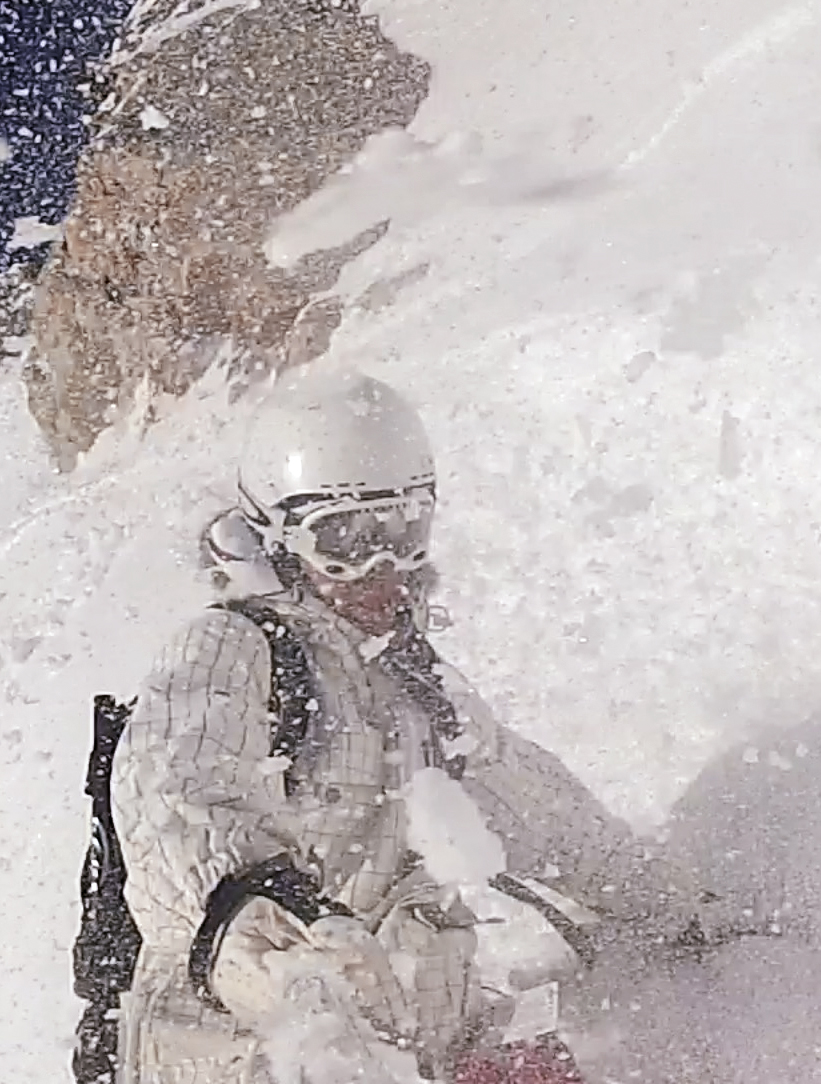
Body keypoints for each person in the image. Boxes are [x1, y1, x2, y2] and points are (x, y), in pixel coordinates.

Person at [109, 372, 752, 1084]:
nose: (383, 566)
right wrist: (273, 949)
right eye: (346, 539)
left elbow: (550, 818)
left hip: (402, 1052)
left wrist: (681, 913)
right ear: (279, 538)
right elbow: (177, 801)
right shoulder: (233, 647)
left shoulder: (416, 685)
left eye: (404, 531)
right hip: (261, 1053)